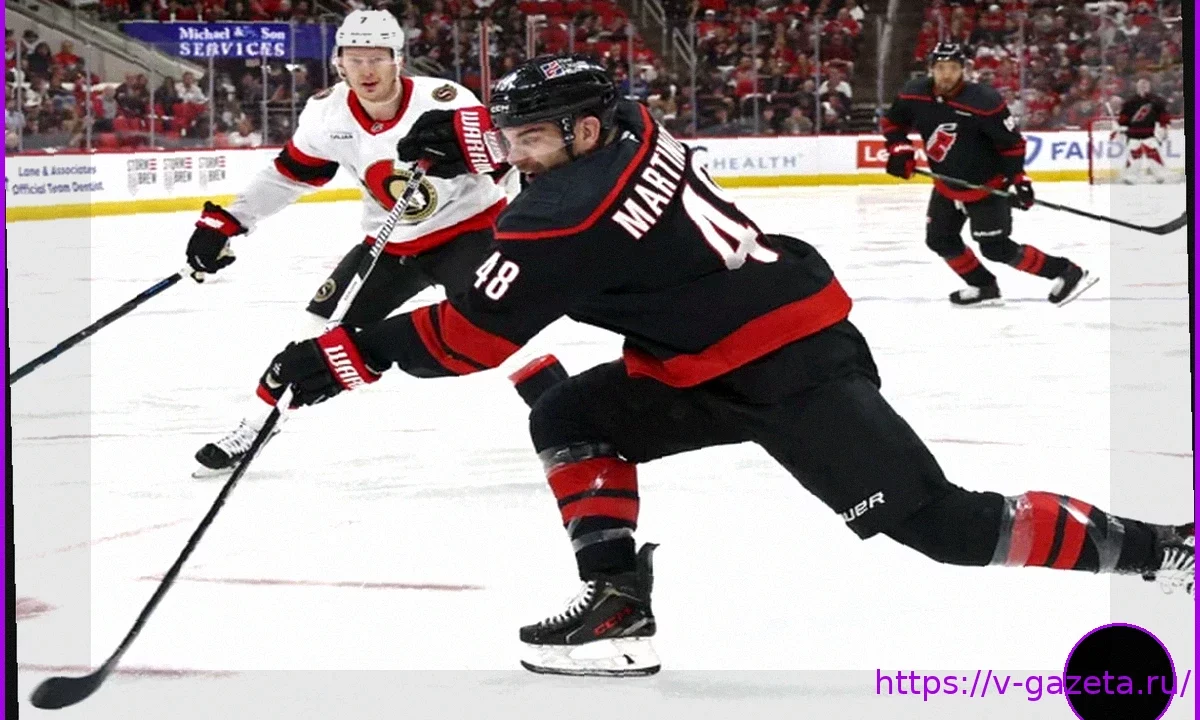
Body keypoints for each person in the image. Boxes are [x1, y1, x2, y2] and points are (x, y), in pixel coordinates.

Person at [252, 53, 1194, 677]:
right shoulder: (635, 123)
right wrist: (470, 147)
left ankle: (1168, 549)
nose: (517, 156)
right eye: (510, 138)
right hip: (712, 351)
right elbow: (534, 176)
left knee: (941, 526)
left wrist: (345, 353)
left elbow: (469, 338)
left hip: (789, 365)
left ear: (584, 133)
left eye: (530, 140)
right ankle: (618, 604)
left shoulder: (564, 216)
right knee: (572, 414)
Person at [183, 9, 528, 475]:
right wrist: (228, 221)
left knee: (501, 326)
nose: (366, 69)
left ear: (398, 60)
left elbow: (514, 163)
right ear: (339, 62)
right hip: (391, 244)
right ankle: (255, 427)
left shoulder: (444, 101)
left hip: (470, 232)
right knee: (313, 334)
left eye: (377, 58)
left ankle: (572, 421)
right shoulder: (327, 114)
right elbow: (290, 174)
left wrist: (513, 220)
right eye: (355, 58)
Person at [881, 42, 1096, 307]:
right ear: (931, 69)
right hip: (947, 185)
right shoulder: (914, 94)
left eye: (953, 68)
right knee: (940, 239)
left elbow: (1012, 144)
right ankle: (984, 287)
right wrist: (900, 149)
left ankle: (1066, 271)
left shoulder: (984, 100)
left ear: (963, 69)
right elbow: (893, 123)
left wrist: (1018, 180)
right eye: (940, 68)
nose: (946, 74)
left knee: (995, 248)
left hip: (988, 186)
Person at [1114, 76, 1174, 184]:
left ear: (1149, 87)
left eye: (1145, 85)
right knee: (1134, 155)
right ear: (1137, 87)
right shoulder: (1130, 102)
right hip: (1133, 134)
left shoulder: (1156, 101)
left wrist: (1164, 127)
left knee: (1153, 155)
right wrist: (1121, 126)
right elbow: (1123, 118)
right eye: (1141, 86)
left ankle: (1160, 175)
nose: (1143, 87)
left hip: (1149, 133)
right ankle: (1130, 176)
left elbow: (1163, 116)